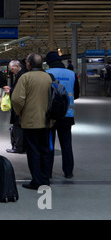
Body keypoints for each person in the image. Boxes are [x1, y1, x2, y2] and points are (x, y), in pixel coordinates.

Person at [11, 53, 53, 190]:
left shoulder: (26, 77)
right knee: (45, 150)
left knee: (33, 151)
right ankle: (45, 179)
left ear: (28, 64)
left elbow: (17, 100)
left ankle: (36, 181)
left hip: (31, 121)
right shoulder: (49, 77)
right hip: (47, 121)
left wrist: (19, 112)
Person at [46, 51, 80, 179]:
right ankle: (68, 172)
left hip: (51, 115)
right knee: (66, 144)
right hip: (67, 114)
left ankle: (48, 172)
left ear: (49, 62)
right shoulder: (72, 74)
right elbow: (76, 94)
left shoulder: (47, 74)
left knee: (49, 144)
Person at [3, 60, 27, 153]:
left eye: (12, 69)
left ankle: (18, 146)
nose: (11, 71)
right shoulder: (21, 74)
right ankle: (21, 146)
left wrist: (11, 91)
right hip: (22, 106)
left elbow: (20, 91)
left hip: (19, 107)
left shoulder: (22, 75)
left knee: (18, 126)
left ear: (17, 66)